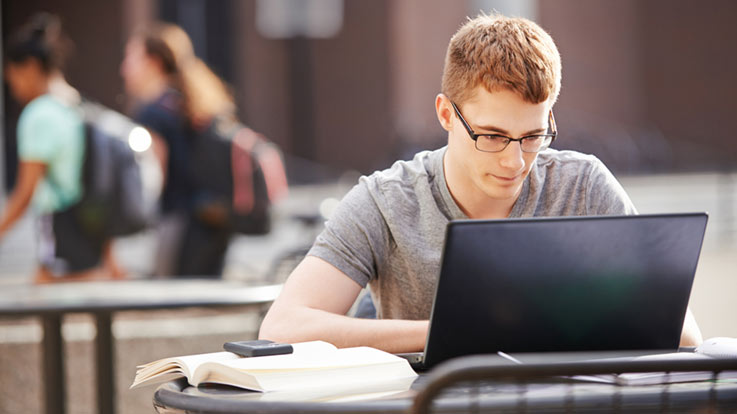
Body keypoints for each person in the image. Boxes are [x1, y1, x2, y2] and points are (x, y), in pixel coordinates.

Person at [259, 12, 703, 351]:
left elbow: (681, 331)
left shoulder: (583, 185)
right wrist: (450, 332)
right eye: (492, 136)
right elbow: (284, 326)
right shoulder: (385, 200)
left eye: (533, 137)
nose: (515, 161)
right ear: (447, 114)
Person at [0, 13, 123, 283]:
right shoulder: (79, 104)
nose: (12, 88)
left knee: (50, 296)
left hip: (61, 226)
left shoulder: (39, 114)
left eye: (13, 78)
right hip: (92, 224)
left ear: (30, 66)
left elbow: (25, 193)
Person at [120, 23, 235, 277]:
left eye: (131, 57)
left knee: (170, 303)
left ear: (154, 62)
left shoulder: (152, 112)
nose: (124, 68)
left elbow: (152, 178)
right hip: (210, 220)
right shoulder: (187, 102)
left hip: (176, 226)